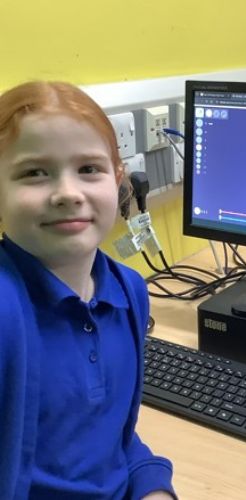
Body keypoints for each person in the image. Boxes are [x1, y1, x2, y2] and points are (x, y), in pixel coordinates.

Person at [0, 81, 177, 499]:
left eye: (89, 169)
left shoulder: (128, 291)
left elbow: (111, 442)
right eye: (34, 173)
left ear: (118, 179)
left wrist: (151, 485)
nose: (68, 193)